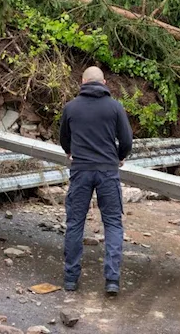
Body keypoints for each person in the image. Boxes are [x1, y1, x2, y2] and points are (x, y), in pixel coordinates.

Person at [58, 66, 133, 296]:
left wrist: (72, 152)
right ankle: (112, 280)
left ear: (82, 81)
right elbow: (127, 140)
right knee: (112, 223)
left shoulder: (71, 107)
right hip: (107, 172)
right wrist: (118, 157)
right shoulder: (115, 107)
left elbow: (64, 140)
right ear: (105, 82)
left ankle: (71, 278)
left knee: (75, 223)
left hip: (81, 170)